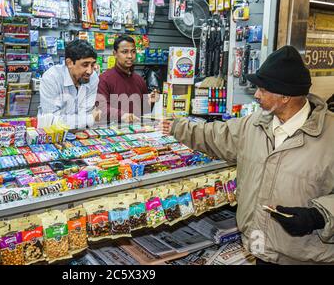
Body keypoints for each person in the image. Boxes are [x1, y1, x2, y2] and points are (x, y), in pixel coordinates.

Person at [158, 46, 334, 265]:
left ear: (286, 96)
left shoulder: (330, 135)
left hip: (306, 257)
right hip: (260, 250)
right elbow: (215, 135)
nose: (256, 95)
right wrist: (176, 126)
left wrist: (319, 216)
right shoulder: (255, 124)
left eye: (263, 89)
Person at [38, 39, 101, 129]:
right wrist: (89, 119)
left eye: (92, 64)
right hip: (52, 135)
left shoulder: (93, 77)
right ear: (69, 63)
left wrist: (86, 118)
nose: (90, 71)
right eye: (85, 65)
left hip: (81, 134)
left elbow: (87, 111)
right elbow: (50, 121)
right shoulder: (51, 78)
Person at [97, 35, 160, 123]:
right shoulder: (104, 79)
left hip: (137, 133)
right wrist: (123, 115)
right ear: (115, 54)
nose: (130, 56)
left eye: (133, 52)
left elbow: (145, 111)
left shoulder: (139, 80)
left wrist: (151, 101)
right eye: (125, 52)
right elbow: (101, 109)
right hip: (113, 133)